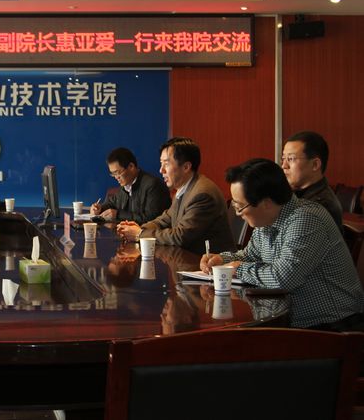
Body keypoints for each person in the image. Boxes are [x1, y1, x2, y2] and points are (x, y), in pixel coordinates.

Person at [200, 158, 364, 329]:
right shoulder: (267, 220)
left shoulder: (306, 219)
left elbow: (284, 278)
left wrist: (237, 269)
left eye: (240, 206)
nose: (237, 213)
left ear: (266, 203)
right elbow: (250, 255)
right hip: (290, 320)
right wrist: (222, 260)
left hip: (331, 326)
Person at [117, 137, 235, 255]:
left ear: (186, 167)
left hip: (208, 262)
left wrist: (139, 234)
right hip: (188, 258)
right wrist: (140, 228)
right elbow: (165, 220)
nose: (161, 170)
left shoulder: (202, 194)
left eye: (166, 164)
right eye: (161, 163)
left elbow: (180, 237)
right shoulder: (184, 189)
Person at [281, 131, 343, 232]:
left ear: (315, 164)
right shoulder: (295, 194)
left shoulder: (319, 206)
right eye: (283, 158)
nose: (284, 165)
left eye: (291, 159)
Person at [90, 147, 170, 222]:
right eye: (113, 174)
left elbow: (151, 219)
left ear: (131, 166)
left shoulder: (153, 185)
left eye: (117, 173)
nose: (116, 177)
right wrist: (99, 208)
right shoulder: (126, 186)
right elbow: (111, 203)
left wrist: (118, 214)